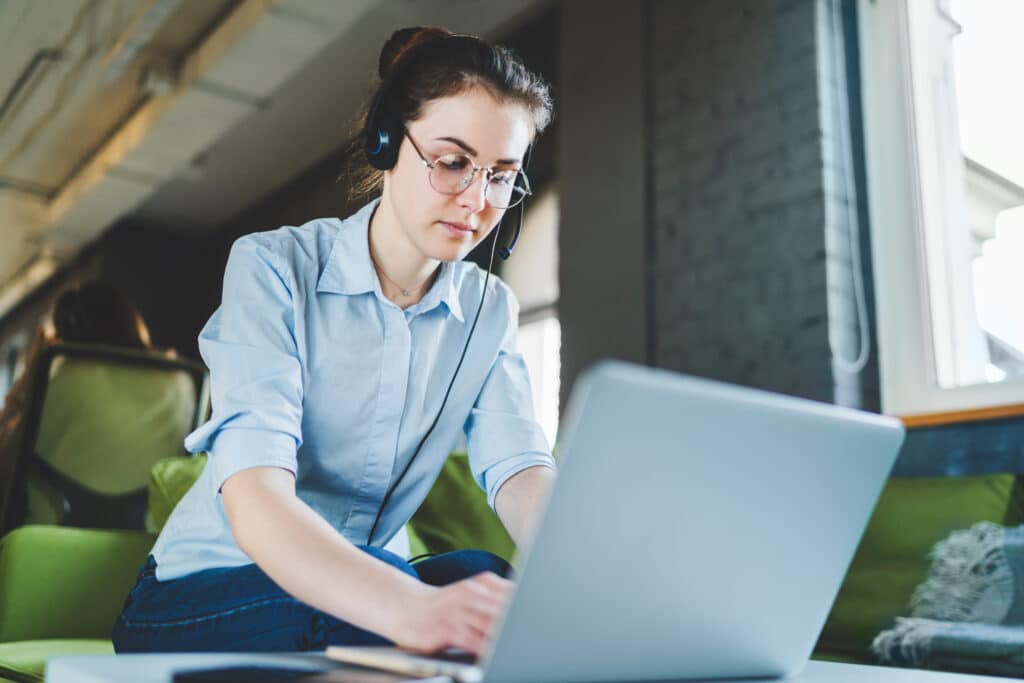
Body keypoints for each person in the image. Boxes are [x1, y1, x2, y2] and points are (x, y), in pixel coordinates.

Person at [113, 26, 556, 655]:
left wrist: (584, 589)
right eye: (453, 163)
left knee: (483, 582)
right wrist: (407, 607)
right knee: (382, 606)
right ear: (386, 144)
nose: (478, 202)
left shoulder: (488, 310)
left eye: (501, 176)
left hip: (367, 583)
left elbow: (520, 470)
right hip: (201, 592)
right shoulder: (273, 267)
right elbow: (256, 494)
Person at [0, 281, 177, 525]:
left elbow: (6, 464)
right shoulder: (179, 382)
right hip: (149, 541)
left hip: (51, 540)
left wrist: (29, 378)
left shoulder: (63, 380)